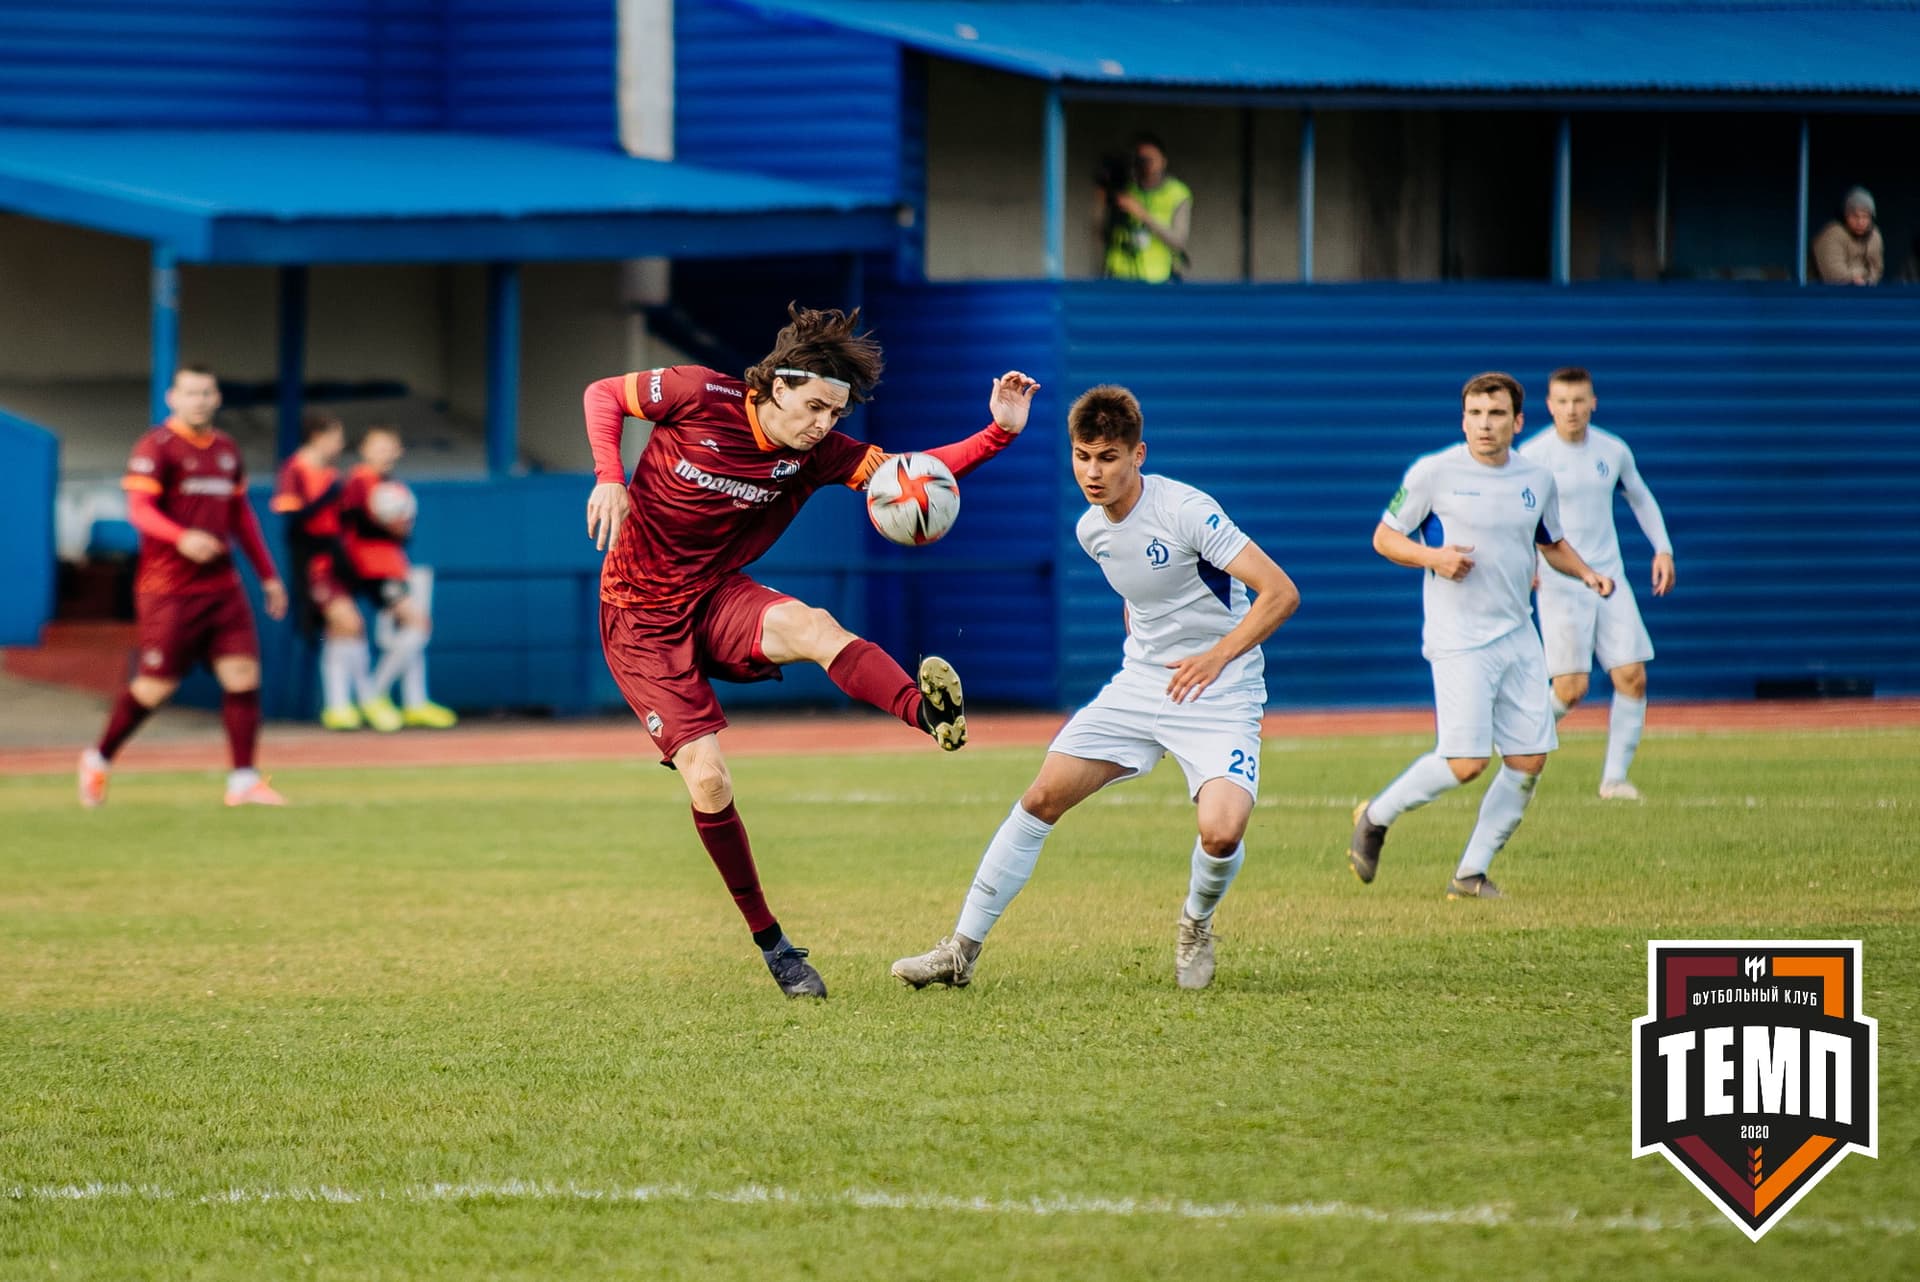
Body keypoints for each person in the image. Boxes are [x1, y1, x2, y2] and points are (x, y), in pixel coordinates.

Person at [582, 304, 1040, 999]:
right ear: (775, 386)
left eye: (837, 411)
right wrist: (608, 475)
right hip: (638, 618)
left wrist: (998, 433)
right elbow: (602, 394)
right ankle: (775, 947)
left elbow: (909, 477)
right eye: (817, 406)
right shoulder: (697, 393)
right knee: (709, 781)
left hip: (715, 595)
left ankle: (929, 715)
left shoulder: (817, 455)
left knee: (815, 627)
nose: (825, 424)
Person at [892, 384, 1299, 992]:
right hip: (1140, 688)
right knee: (1039, 799)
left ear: (1139, 454)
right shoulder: (1091, 531)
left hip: (1220, 689)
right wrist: (1147, 658)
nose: (1093, 471)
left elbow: (1281, 593)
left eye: (1108, 457)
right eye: (1083, 456)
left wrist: (1215, 657)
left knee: (1221, 831)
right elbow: (1140, 601)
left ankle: (1195, 923)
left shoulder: (1187, 511)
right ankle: (959, 952)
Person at [1347, 373, 1613, 899]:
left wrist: (1586, 573)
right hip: (1458, 638)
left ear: (1517, 421)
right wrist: (1434, 558)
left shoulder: (1537, 478)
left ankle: (1470, 873)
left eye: (1494, 414)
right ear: (1462, 419)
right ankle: (1375, 816)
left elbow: (1551, 542)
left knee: (1528, 760)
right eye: (1474, 413)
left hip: (1518, 635)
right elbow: (1384, 536)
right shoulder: (1433, 473)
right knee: (1466, 763)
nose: (1483, 424)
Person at [78, 364, 289, 808]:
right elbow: (139, 510)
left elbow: (242, 519)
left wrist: (268, 575)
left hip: (222, 586)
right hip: (168, 588)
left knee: (243, 675)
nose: (200, 400)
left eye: (207, 393)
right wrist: (182, 536)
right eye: (191, 393)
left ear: (217, 398)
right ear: (173, 398)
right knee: (156, 686)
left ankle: (243, 780)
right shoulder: (157, 447)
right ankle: (98, 759)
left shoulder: (227, 450)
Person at [1516, 368, 1675, 800]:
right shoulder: (1532, 456)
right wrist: (1526, 563)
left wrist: (1662, 549)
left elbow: (1640, 496)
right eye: (1563, 402)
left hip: (1609, 578)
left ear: (1593, 403)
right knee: (1571, 689)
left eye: (1579, 401)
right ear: (1549, 406)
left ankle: (1614, 780)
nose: (1571, 410)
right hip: (1560, 582)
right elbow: (1520, 517)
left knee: (1632, 676)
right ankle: (1520, 746)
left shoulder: (1613, 450)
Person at [338, 427, 457, 732]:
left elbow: (401, 529)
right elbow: (352, 521)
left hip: (392, 564)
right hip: (370, 565)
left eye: (391, 447)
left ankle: (415, 702)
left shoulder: (392, 486)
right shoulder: (360, 481)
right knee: (417, 623)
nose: (385, 453)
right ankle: (373, 695)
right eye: (379, 447)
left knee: (411, 632)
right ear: (364, 449)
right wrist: (386, 523)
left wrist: (398, 525)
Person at [272, 411, 374, 730]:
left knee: (348, 629)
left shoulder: (332, 473)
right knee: (347, 623)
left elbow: (342, 519)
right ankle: (346, 702)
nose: (341, 444)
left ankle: (350, 703)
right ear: (319, 435)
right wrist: (325, 500)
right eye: (336, 436)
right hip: (312, 564)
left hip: (335, 561)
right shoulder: (295, 469)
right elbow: (293, 522)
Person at [1097, 133, 1193, 283]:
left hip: (1157, 279)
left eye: (1150, 159)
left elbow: (1179, 241)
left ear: (1163, 161)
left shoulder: (1177, 193)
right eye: (1141, 160)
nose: (1146, 165)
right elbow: (1102, 233)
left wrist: (1142, 214)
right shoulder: (1127, 189)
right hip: (1119, 277)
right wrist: (1103, 199)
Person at [1811, 187, 1884, 285]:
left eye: (1865, 217)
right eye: (1855, 216)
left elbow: (1877, 270)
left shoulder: (1874, 235)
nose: (1860, 222)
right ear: (1845, 216)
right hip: (1823, 294)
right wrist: (1861, 275)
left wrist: (1866, 279)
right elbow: (1834, 275)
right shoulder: (1833, 234)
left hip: (1863, 292)